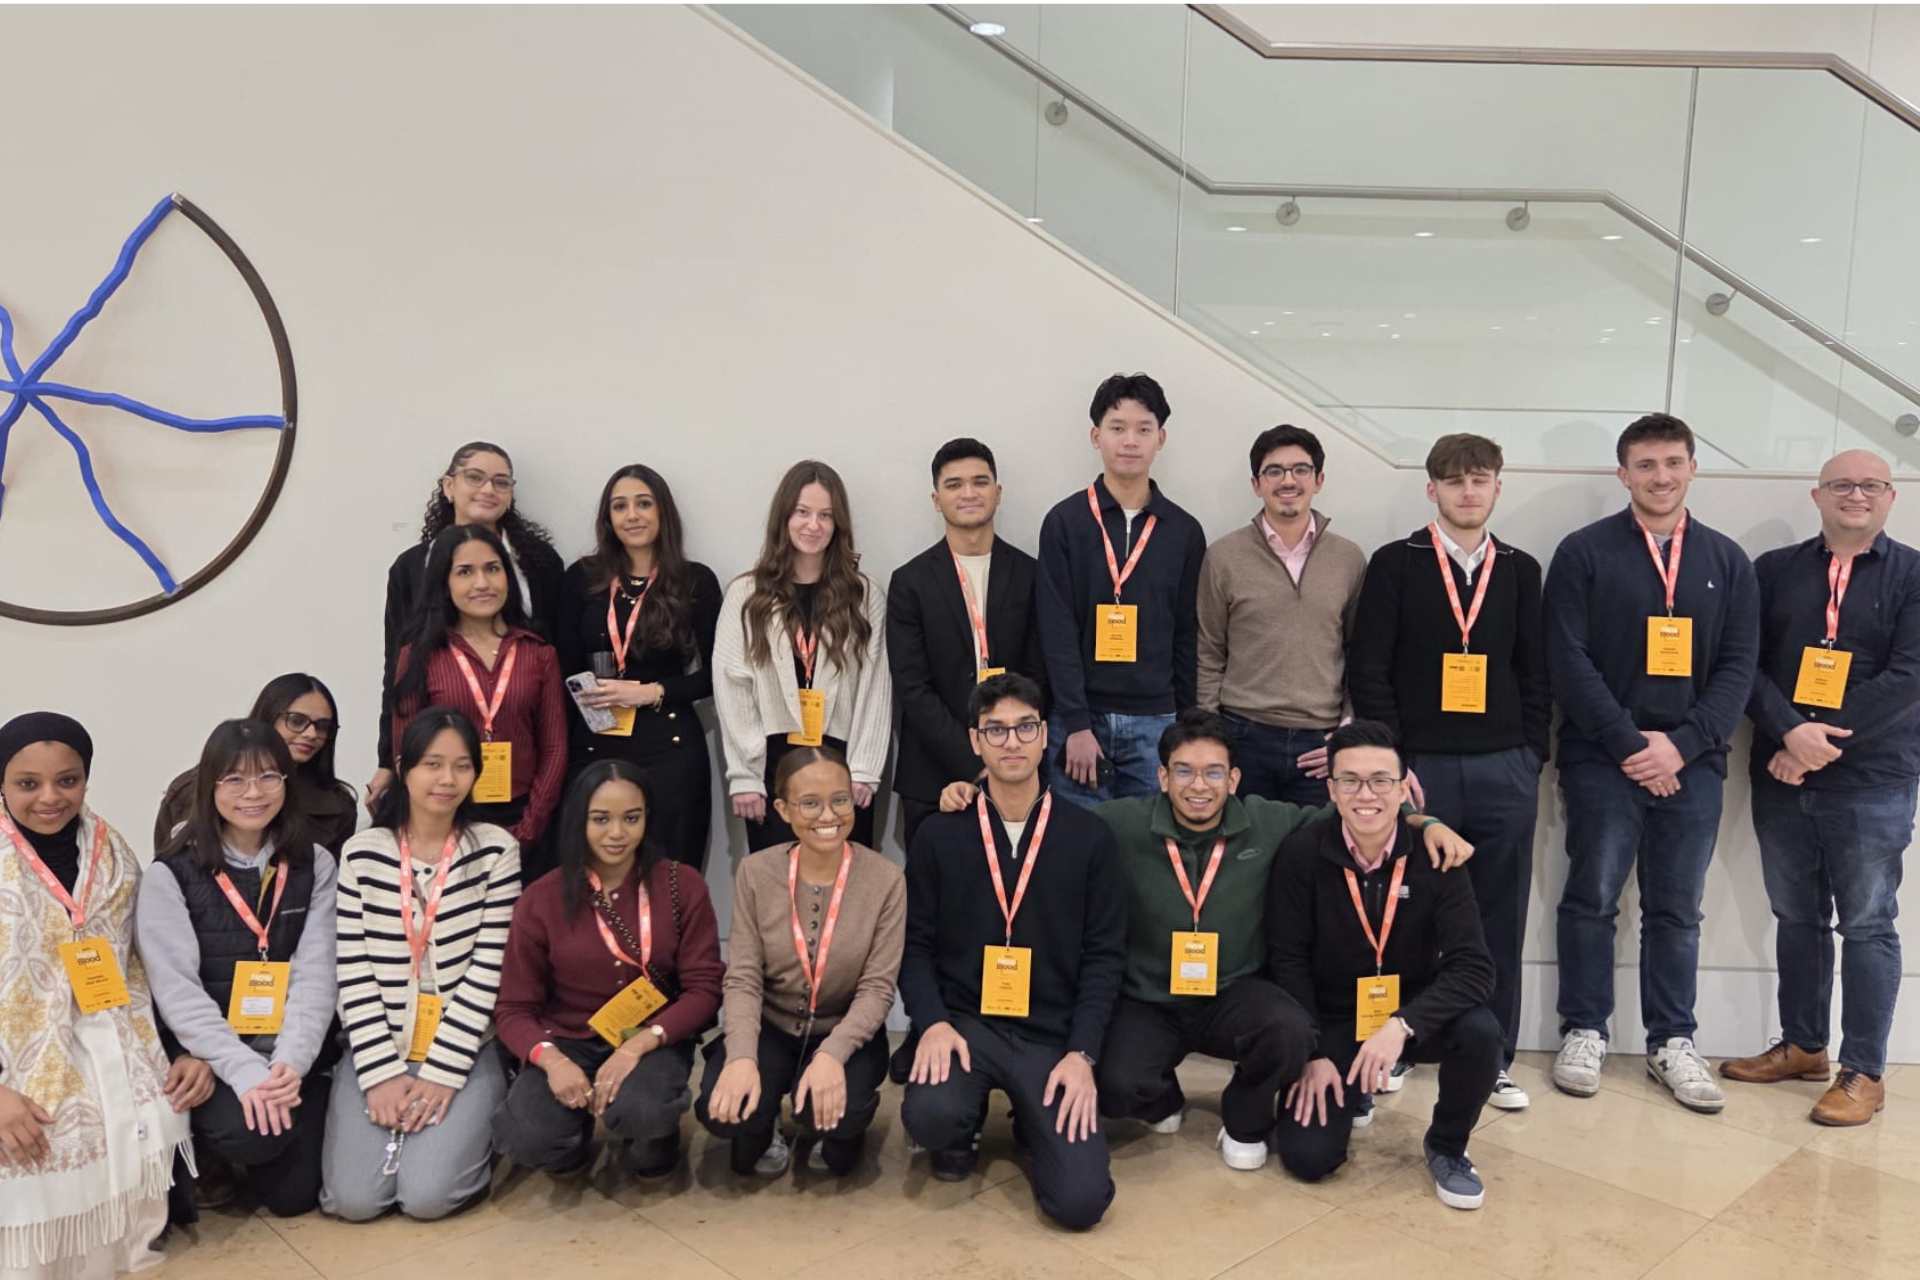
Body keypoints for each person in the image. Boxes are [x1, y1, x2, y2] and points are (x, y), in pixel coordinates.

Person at [1089, 709, 1473, 1169]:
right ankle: (1160, 1098)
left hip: (1236, 993)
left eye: (1213, 772)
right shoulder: (1121, 822)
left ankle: (1244, 1116)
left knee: (1289, 1031)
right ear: (1162, 776)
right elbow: (1051, 821)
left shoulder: (1269, 821)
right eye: (1184, 772)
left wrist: (1422, 821)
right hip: (1150, 998)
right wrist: (975, 791)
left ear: (1233, 778)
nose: (1198, 786)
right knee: (1114, 1085)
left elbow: (1361, 807)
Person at [1545, 414, 1758, 1113]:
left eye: (1672, 463)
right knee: (1593, 897)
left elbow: (1737, 666)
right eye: (1645, 465)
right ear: (1623, 474)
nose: (1660, 477)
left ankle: (1673, 1040)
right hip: (1602, 757)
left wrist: (1683, 744)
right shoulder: (1583, 552)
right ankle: (1584, 1028)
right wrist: (1632, 746)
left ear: (1693, 467)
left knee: (1676, 908)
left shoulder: (1726, 560)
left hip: (1692, 762)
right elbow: (1567, 661)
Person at [1346, 433, 1549, 1109]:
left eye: (1480, 479)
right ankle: (1399, 1045)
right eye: (1454, 480)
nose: (1468, 492)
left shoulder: (1520, 570)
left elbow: (1536, 672)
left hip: (1503, 768)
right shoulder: (1394, 565)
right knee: (1403, 913)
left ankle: (1491, 1056)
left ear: (1497, 487)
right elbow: (1370, 670)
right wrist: (1393, 768)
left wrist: (1531, 756)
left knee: (1497, 915)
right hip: (1422, 769)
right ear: (1431, 488)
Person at [1723, 450, 1920, 1127]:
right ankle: (1804, 1045)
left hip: (1873, 778)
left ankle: (1863, 1069)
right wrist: (1787, 732)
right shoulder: (1773, 571)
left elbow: (1909, 675)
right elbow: (1741, 662)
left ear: (1891, 498)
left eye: (1871, 485)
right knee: (1797, 915)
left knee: (1867, 923)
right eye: (1842, 484)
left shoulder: (1916, 574)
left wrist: (1815, 744)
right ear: (1817, 496)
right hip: (1781, 770)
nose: (1856, 494)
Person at [900, 673, 1124, 1230]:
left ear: (1045, 735)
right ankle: (960, 1129)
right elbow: (915, 946)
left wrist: (1083, 1054)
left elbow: (1104, 957)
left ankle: (1033, 1118)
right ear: (975, 742)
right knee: (929, 1115)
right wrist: (930, 1023)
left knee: (1080, 1202)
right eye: (994, 730)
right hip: (968, 1025)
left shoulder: (1088, 837)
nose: (1011, 742)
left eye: (1024, 727)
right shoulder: (940, 832)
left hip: (1049, 1034)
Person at [1268, 720, 1500, 1210]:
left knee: (1480, 1032)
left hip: (1407, 1018)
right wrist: (1312, 1054)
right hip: (1331, 1020)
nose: (1365, 794)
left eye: (1380, 781)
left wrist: (1402, 1027)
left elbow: (1473, 967)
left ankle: (1447, 1147)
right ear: (1331, 788)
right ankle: (1353, 1084)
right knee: (1309, 1160)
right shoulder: (1302, 853)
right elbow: (1287, 961)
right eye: (1349, 781)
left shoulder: (1437, 855)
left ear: (1403, 789)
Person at [0, 713, 198, 1280]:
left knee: (151, 1103)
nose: (50, 798)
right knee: (50, 1125)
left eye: (68, 780)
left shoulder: (111, 850)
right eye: (27, 783)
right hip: (18, 1050)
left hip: (112, 1024)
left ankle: (124, 1246)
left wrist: (183, 1047)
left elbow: (147, 959)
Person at [322, 709, 522, 1220]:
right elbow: (353, 972)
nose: (447, 779)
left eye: (461, 766)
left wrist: (443, 1071)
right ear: (404, 768)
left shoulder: (497, 851)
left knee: (427, 1198)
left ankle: (473, 1131)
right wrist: (382, 1072)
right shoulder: (362, 854)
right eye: (432, 763)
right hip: (379, 1046)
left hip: (464, 1049)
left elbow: (487, 972)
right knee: (356, 1202)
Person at [136, 720, 339, 1218]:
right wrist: (244, 1070)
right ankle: (218, 1151)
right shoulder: (171, 873)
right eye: (235, 780)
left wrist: (291, 1063)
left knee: (294, 1199)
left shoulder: (314, 862)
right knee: (252, 1136)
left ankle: (284, 1111)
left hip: (290, 1049)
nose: (254, 793)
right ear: (211, 787)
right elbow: (177, 992)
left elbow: (318, 975)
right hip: (217, 1051)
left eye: (269, 777)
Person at [492, 761, 723, 1177]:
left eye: (631, 818)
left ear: (647, 819)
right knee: (529, 1137)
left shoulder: (680, 884)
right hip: (567, 1038)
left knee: (644, 1114)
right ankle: (569, 1144)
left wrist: (638, 1045)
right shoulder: (541, 899)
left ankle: (654, 1140)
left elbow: (705, 989)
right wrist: (552, 1061)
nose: (617, 834)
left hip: (651, 1033)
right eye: (601, 819)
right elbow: (513, 1008)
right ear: (578, 819)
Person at [695, 747, 905, 1177]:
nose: (828, 815)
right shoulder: (756, 872)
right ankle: (766, 1116)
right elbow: (744, 979)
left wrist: (832, 1055)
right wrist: (740, 1057)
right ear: (783, 810)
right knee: (722, 1114)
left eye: (840, 800)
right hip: (772, 1027)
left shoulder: (886, 880)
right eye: (809, 803)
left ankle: (839, 1119)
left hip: (843, 1028)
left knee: (839, 1127)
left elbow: (877, 990)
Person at [1036, 372, 1205, 807]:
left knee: (1148, 851)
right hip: (1080, 720)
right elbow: (1056, 629)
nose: (1130, 441)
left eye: (1143, 429)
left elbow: (1188, 632)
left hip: (1157, 720)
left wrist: (1183, 726)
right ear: (1096, 436)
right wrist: (1074, 723)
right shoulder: (1065, 522)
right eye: (1117, 428)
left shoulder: (1184, 531)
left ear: (1161, 438)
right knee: (1079, 846)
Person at [377, 441, 565, 805]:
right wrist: (388, 760)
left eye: (500, 482)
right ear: (448, 486)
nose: (487, 490)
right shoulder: (410, 568)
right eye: (474, 478)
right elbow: (396, 673)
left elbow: (558, 661)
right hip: (444, 776)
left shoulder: (542, 563)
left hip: (526, 767)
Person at [715, 461, 891, 849]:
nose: (814, 525)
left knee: (844, 889)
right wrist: (744, 775)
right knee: (778, 887)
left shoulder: (864, 596)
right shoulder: (746, 595)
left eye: (826, 515)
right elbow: (732, 687)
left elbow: (875, 688)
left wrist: (864, 770)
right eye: (802, 512)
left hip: (843, 765)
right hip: (772, 763)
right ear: (784, 517)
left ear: (839, 524)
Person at [555, 464, 723, 871]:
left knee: (671, 874)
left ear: (663, 512)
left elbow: (716, 675)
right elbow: (560, 664)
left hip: (671, 750)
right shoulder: (581, 578)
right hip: (596, 745)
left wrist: (650, 691)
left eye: (644, 504)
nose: (632, 515)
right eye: (620, 506)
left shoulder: (694, 581)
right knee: (595, 874)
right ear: (607, 519)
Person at [384, 524, 569, 874]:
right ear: (444, 583)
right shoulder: (419, 655)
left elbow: (555, 749)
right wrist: (443, 829)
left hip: (527, 825)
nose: (482, 583)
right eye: (465, 572)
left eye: (492, 569)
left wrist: (526, 833)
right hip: (445, 824)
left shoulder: (538, 652)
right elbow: (406, 753)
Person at [1197, 424, 1366, 807]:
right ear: (1257, 484)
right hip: (1243, 735)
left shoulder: (1349, 558)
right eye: (1274, 471)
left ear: (1318, 480)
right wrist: (1212, 736)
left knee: (1314, 860)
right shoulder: (1223, 556)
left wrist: (1346, 732)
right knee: (1244, 857)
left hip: (1319, 744)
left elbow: (1359, 650)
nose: (1288, 481)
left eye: (1300, 470)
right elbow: (1209, 649)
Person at [887, 438, 1045, 847]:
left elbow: (1040, 672)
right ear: (936, 499)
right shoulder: (910, 582)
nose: (969, 493)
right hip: (931, 770)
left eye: (980, 481)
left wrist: (1002, 752)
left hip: (1016, 766)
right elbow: (911, 686)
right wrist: (973, 759)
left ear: (998, 492)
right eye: (954, 484)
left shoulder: (1031, 574)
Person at [156, 672, 360, 857]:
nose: (311, 734)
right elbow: (167, 872)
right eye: (297, 721)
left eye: (323, 726)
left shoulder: (338, 806)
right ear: (269, 716)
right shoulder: (190, 790)